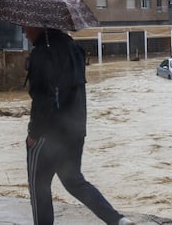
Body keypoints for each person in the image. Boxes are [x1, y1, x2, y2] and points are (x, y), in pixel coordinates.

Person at [24, 26, 135, 225]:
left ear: (38, 26)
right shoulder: (73, 47)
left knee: (39, 186)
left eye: (26, 27)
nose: (24, 32)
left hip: (49, 135)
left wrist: (34, 133)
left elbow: (43, 98)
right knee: (73, 180)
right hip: (75, 129)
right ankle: (117, 220)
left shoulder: (42, 53)